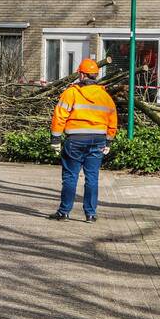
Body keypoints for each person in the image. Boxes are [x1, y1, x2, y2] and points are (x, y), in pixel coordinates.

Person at [48, 58, 117, 222]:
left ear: (81, 74)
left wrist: (55, 139)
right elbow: (112, 120)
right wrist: (108, 141)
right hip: (98, 140)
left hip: (76, 140)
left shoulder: (71, 93)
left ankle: (64, 212)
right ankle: (90, 214)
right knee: (92, 177)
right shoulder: (105, 96)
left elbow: (59, 116)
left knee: (70, 177)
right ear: (95, 75)